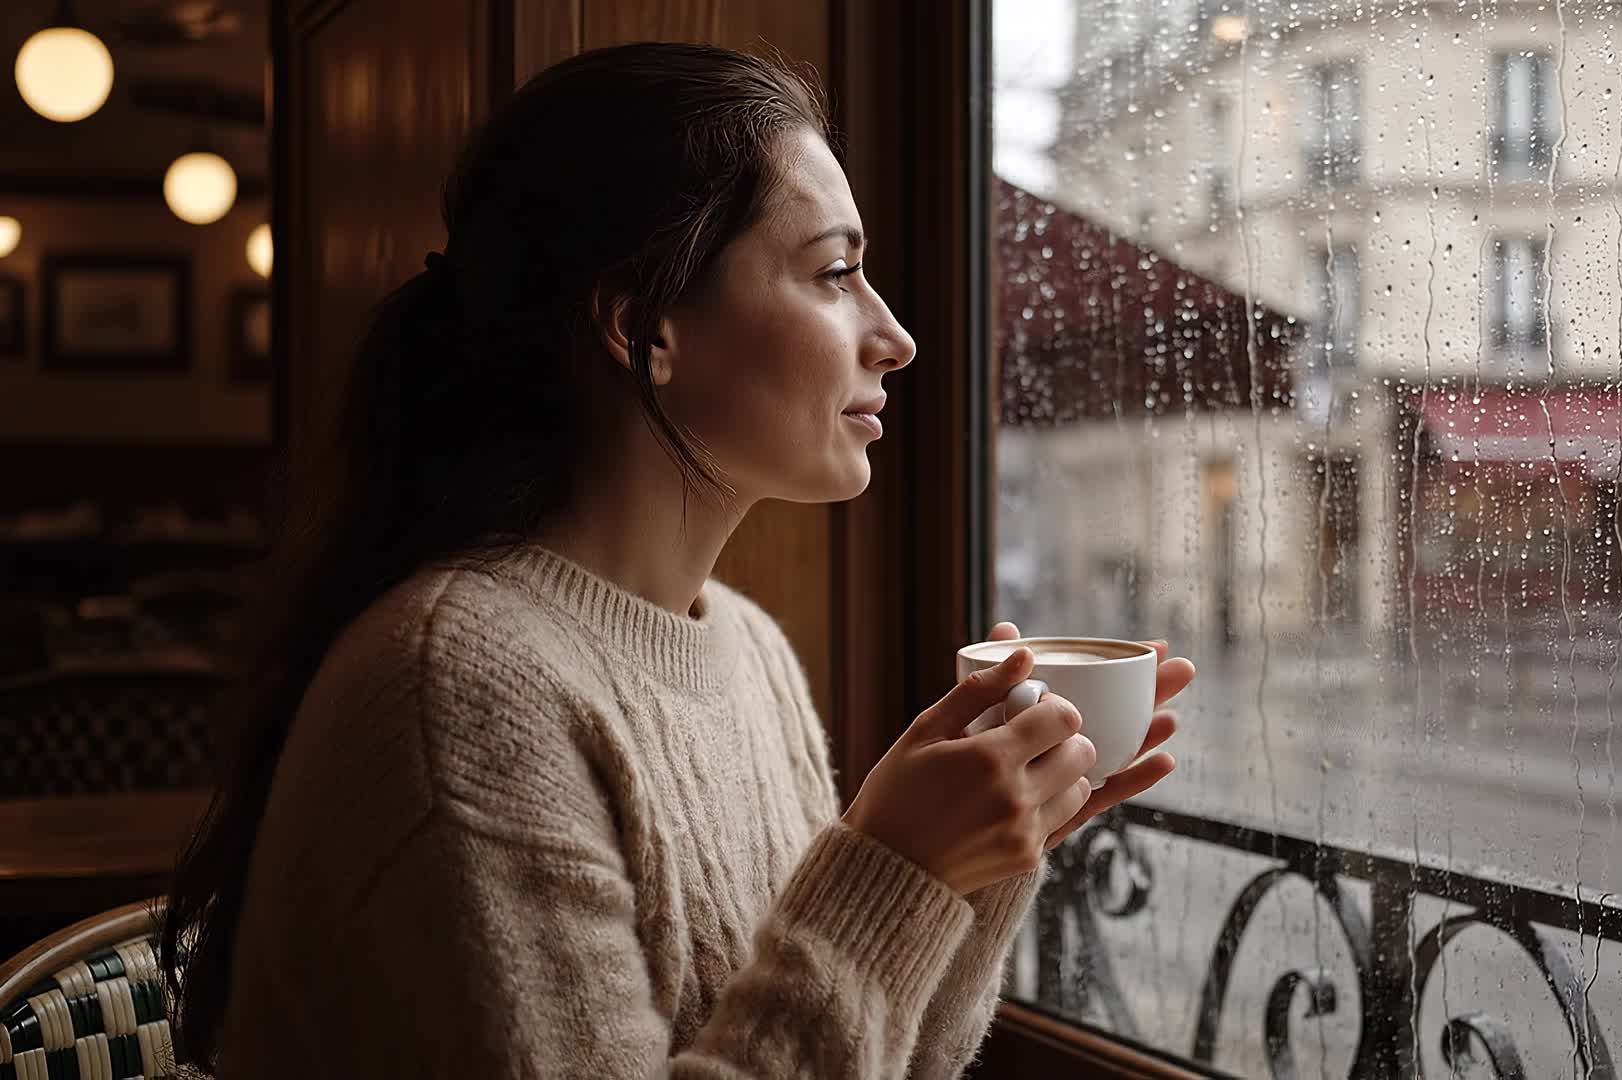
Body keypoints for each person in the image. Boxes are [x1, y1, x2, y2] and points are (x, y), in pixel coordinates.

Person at [157, 41, 1191, 1078]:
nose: (897, 337)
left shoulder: (748, 648)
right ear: (641, 325)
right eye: (835, 273)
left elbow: (879, 1060)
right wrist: (892, 868)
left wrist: (979, 863)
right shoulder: (460, 684)